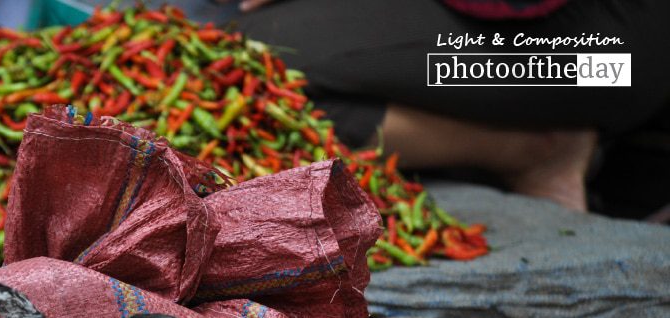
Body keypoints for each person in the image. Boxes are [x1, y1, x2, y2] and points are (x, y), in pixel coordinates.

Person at [221, 0, 670, 212]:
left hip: (600, 58)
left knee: (254, 59)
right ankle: (516, 143)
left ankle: (535, 150)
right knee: (225, 63)